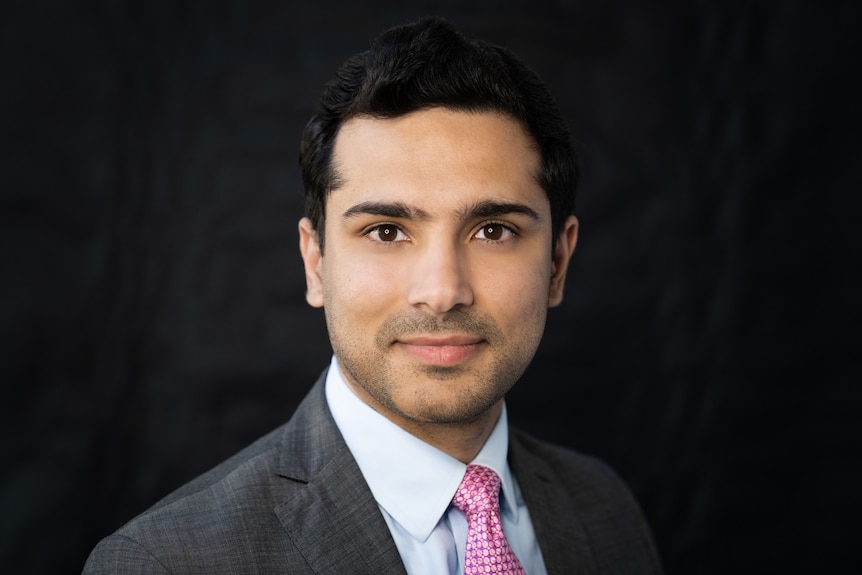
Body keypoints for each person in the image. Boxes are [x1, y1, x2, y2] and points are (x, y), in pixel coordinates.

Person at [83, 17, 662, 575]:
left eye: (494, 231)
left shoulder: (605, 511)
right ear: (316, 263)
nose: (441, 293)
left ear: (558, 262)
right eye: (386, 231)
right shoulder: (167, 563)